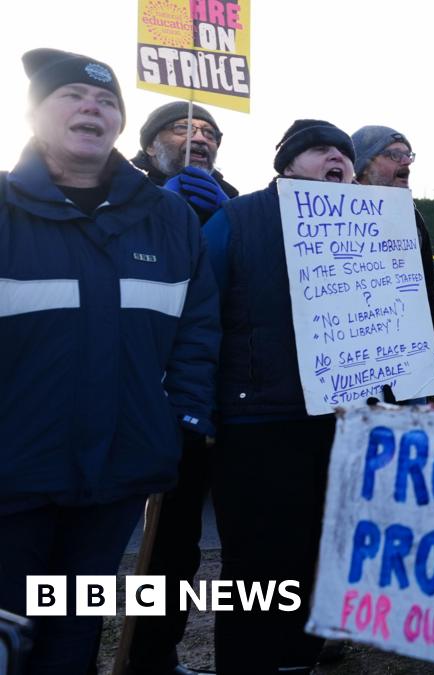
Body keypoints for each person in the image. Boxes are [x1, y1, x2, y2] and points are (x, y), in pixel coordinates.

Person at [0, 48, 219, 673]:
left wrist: (182, 419)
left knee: (74, 626)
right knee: (10, 629)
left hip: (119, 471)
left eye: (107, 100)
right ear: (33, 113)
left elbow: (197, 331)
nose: (92, 106)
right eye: (72, 95)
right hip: (13, 475)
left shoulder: (171, 219)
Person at [201, 119, 356, 672]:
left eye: (344, 152)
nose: (336, 159)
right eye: (320, 150)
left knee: (318, 554)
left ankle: (297, 662)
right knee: (258, 566)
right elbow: (200, 317)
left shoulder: (373, 227)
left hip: (340, 422)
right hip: (258, 421)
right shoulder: (237, 221)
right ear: (287, 163)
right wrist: (201, 408)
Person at [127, 100, 239, 675]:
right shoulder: (121, 197)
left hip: (211, 398)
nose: (199, 137)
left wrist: (232, 223)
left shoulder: (236, 202)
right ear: (150, 146)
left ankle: (155, 655)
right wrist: (156, 213)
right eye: (182, 128)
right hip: (138, 393)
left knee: (178, 544)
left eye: (209, 132)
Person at [351, 125, 434, 386]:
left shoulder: (411, 218)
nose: (406, 162)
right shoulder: (327, 218)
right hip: (349, 367)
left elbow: (423, 292)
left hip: (405, 364)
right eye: (393, 155)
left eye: (408, 155)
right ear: (363, 165)